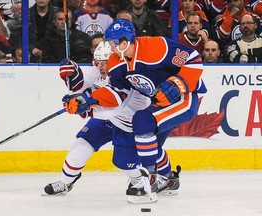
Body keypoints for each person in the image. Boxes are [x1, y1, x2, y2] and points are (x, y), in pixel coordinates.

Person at [65, 19, 206, 201]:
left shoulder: (155, 46)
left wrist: (178, 84)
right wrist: (88, 100)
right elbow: (118, 93)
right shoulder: (116, 62)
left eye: (113, 44)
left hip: (183, 97)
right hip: (158, 102)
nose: (111, 49)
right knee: (146, 130)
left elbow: (193, 58)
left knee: (142, 122)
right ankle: (165, 180)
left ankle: (149, 183)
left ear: (124, 42)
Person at [44, 41, 180, 204]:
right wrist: (73, 80)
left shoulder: (124, 76)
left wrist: (84, 109)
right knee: (79, 148)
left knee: (129, 160)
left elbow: (114, 108)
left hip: (128, 125)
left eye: (105, 63)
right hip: (106, 119)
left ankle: (158, 179)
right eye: (98, 63)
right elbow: (82, 88)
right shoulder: (95, 71)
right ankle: (65, 183)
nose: (101, 67)